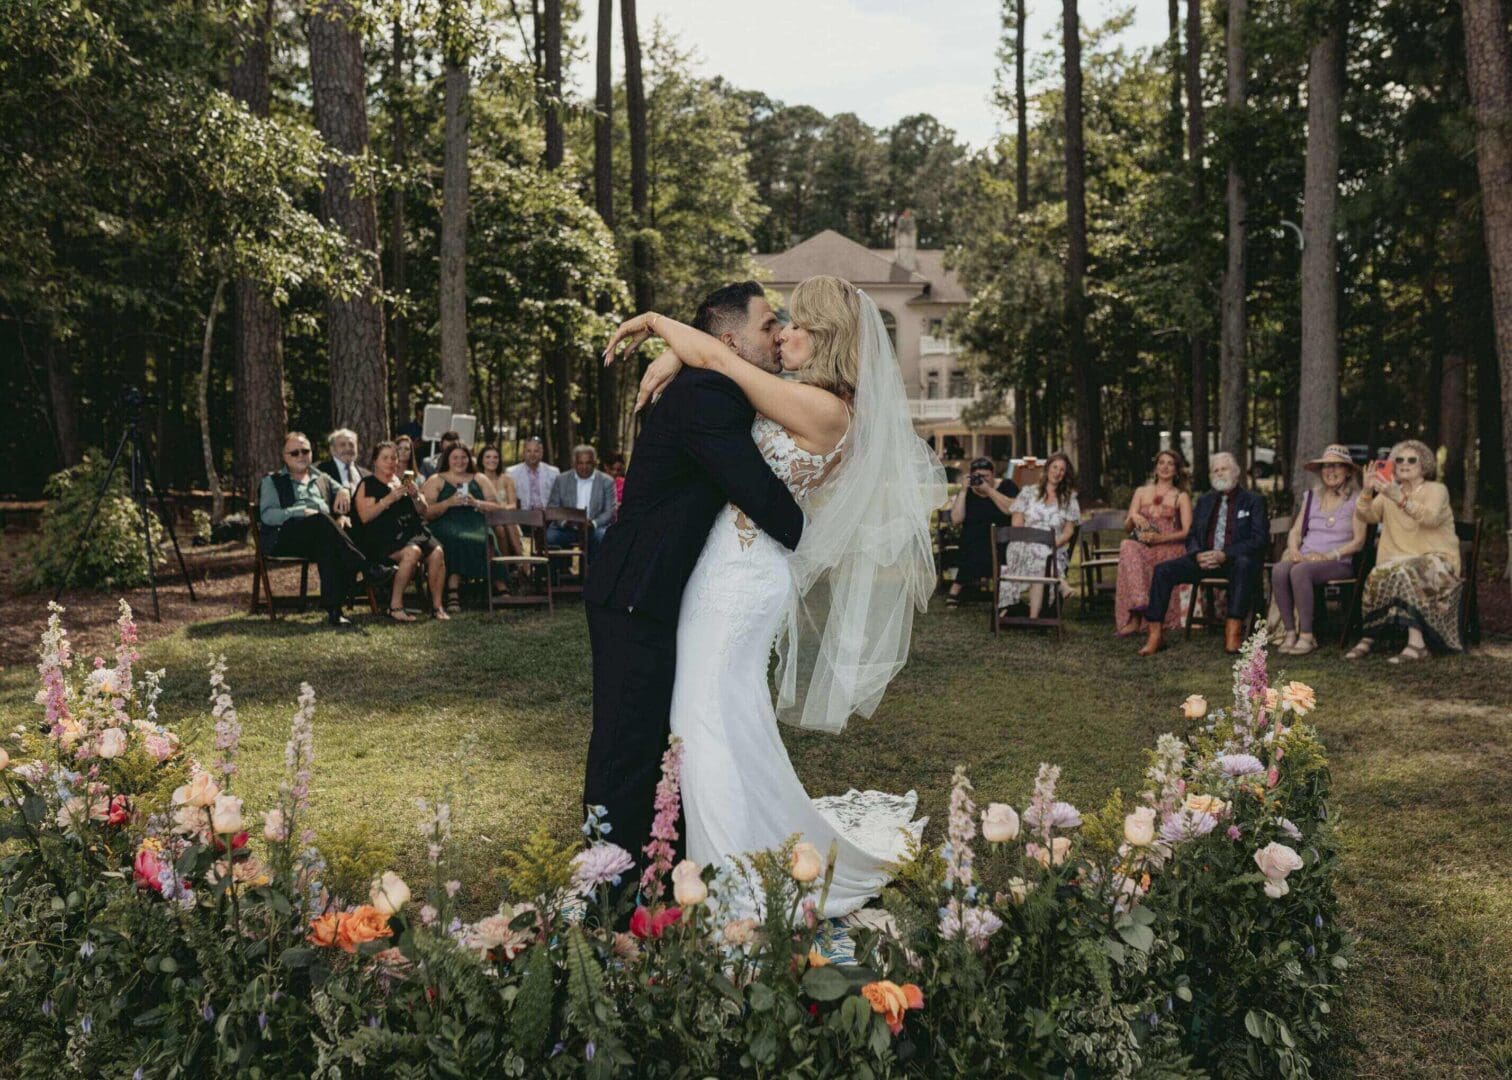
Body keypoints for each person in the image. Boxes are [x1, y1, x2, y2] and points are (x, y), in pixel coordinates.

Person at [604, 274, 944, 916]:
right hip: (722, 571)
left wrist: (659, 326)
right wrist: (685, 350)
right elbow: (723, 362)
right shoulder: (799, 395)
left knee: (701, 721)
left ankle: (730, 884)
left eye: (796, 325)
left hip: (744, 581)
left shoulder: (826, 409)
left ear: (827, 339)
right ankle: (732, 856)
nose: (784, 333)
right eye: (779, 323)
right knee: (720, 719)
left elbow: (722, 358)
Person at [1134, 451, 1268, 656]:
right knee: (1163, 570)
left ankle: (1233, 632)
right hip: (1203, 560)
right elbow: (1193, 535)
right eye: (1216, 470)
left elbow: (1259, 540)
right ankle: (1155, 635)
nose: (1220, 473)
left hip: (1235, 562)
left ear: (1236, 472)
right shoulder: (1205, 500)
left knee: (1244, 564)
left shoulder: (1253, 501)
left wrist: (1225, 554)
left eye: (1224, 469)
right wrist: (1197, 554)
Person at [258, 432, 394, 627]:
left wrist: (343, 491)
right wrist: (299, 511)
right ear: (284, 456)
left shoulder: (320, 477)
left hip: (318, 536)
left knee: (334, 538)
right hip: (285, 537)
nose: (301, 456)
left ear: (311, 453)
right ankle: (367, 568)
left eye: (305, 451)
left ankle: (334, 611)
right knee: (321, 521)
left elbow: (341, 488)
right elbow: (267, 515)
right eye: (294, 453)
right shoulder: (272, 481)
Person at [1347, 438, 1462, 662]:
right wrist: (1367, 490)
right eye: (1399, 459)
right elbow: (1366, 515)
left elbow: (1430, 518)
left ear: (1424, 465)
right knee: (1377, 573)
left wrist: (1398, 497)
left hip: (1438, 560)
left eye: (1412, 460)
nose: (1404, 463)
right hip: (1399, 561)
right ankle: (1369, 637)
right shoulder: (1390, 493)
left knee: (1407, 571)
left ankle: (1417, 645)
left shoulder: (1436, 490)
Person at [1273, 444, 1367, 655]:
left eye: (1336, 466)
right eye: (1326, 466)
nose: (1330, 471)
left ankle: (1307, 636)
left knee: (1300, 571)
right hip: (1308, 558)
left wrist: (1327, 556)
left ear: (1349, 471)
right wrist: (1294, 549)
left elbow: (1359, 541)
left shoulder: (1358, 500)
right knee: (1279, 569)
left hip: (1339, 562)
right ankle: (1290, 632)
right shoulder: (1312, 496)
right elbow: (1295, 531)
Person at [354, 441, 448, 621]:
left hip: (411, 531)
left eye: (393, 458)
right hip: (381, 537)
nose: (390, 462)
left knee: (437, 552)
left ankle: (437, 607)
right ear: (375, 461)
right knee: (412, 552)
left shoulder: (402, 480)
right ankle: (395, 606)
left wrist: (415, 496)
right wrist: (388, 499)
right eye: (385, 458)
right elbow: (365, 517)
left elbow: (423, 510)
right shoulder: (368, 484)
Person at [421, 444, 512, 611]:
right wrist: (448, 502)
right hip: (445, 522)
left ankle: (499, 586)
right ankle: (452, 589)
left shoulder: (479, 478)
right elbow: (425, 512)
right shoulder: (436, 480)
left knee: (486, 538)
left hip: (475, 522)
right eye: (455, 457)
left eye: (464, 457)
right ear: (447, 459)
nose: (460, 461)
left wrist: (476, 502)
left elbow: (498, 507)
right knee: (455, 538)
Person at [1114, 449, 1193, 636]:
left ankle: (1141, 617)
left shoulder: (1180, 496)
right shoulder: (1141, 492)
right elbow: (1127, 529)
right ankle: (1139, 608)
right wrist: (1133, 516)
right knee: (1127, 545)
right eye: (1161, 463)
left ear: (1176, 470)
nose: (1165, 467)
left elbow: (1187, 532)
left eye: (1170, 464)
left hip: (1170, 546)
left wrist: (1161, 539)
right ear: (1156, 467)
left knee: (1147, 556)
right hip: (1145, 544)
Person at [996, 452, 1081, 619]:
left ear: (1066, 474)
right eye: (1055, 467)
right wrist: (1034, 535)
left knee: (1042, 554)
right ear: (1047, 468)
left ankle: (1032, 617)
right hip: (1023, 544)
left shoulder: (1069, 498)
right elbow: (1017, 525)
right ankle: (1061, 584)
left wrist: (1052, 544)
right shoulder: (1028, 493)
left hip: (1054, 547)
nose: (1057, 472)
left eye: (1062, 470)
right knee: (1038, 549)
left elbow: (1068, 532)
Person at [944, 457, 1019, 607]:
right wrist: (964, 490)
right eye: (978, 476)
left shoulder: (1006, 486)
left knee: (984, 539)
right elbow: (956, 519)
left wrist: (989, 490)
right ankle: (959, 585)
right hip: (973, 544)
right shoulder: (969, 493)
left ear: (993, 474)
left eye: (986, 476)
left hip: (1002, 541)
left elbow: (1012, 509)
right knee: (975, 540)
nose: (982, 480)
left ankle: (958, 586)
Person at [547, 444, 617, 560]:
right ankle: (558, 574)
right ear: (575, 464)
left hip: (594, 529)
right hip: (566, 528)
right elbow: (553, 507)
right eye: (580, 463)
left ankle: (594, 574)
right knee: (550, 537)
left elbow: (610, 511)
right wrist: (565, 522)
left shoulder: (607, 482)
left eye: (588, 463)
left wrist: (593, 523)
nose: (584, 467)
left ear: (594, 463)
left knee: (603, 537)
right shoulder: (561, 480)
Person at [478, 444, 524, 559]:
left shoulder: (507, 479)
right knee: (502, 524)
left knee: (503, 524)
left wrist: (499, 510)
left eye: (495, 457)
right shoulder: (477, 480)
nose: (492, 460)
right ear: (481, 460)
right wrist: (498, 508)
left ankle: (510, 564)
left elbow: (513, 505)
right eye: (488, 457)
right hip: (484, 519)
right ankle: (520, 562)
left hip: (506, 520)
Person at [507, 436, 560, 511]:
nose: (532, 454)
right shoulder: (511, 473)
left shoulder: (553, 472)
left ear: (541, 453)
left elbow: (557, 500)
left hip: (547, 516)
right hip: (522, 517)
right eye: (529, 451)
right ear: (523, 453)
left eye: (536, 451)